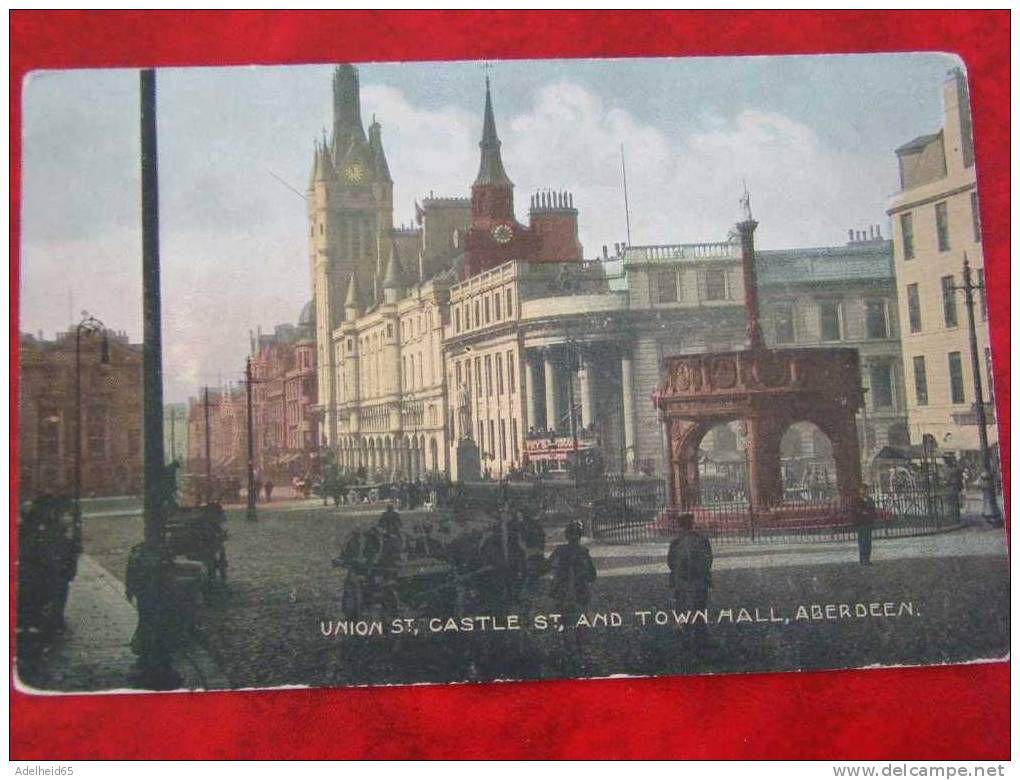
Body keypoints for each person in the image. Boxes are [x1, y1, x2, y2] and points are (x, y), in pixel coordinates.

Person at [666, 512, 713, 633]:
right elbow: (709, 558)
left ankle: (681, 623)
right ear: (692, 524)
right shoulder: (702, 539)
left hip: (681, 577)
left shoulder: (676, 541)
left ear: (680, 525)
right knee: (700, 600)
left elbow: (670, 562)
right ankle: (701, 623)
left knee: (680, 600)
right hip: (699, 577)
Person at [548, 521, 597, 619]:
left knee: (561, 599)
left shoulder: (561, 550)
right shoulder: (583, 551)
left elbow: (549, 563)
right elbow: (592, 572)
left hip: (565, 582)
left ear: (566, 537)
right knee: (583, 601)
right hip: (578, 582)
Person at [852, 484, 877, 565]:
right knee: (862, 542)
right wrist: (862, 513)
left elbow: (873, 510)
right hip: (861, 523)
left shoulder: (870, 500)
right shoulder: (856, 500)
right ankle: (862, 559)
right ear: (860, 490)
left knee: (868, 542)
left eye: (866, 490)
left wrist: (869, 515)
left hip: (868, 523)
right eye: (862, 489)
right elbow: (855, 511)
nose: (864, 491)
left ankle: (867, 559)